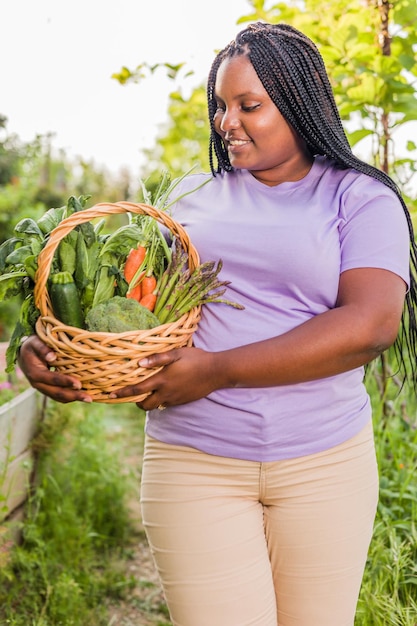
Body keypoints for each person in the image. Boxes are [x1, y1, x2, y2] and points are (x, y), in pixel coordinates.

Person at [19, 21, 417, 626]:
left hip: (324, 464)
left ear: (301, 102)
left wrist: (216, 371)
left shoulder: (360, 198)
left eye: (248, 105)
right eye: (221, 106)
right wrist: (53, 344)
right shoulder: (187, 197)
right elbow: (135, 303)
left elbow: (369, 325)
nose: (226, 122)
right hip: (193, 461)